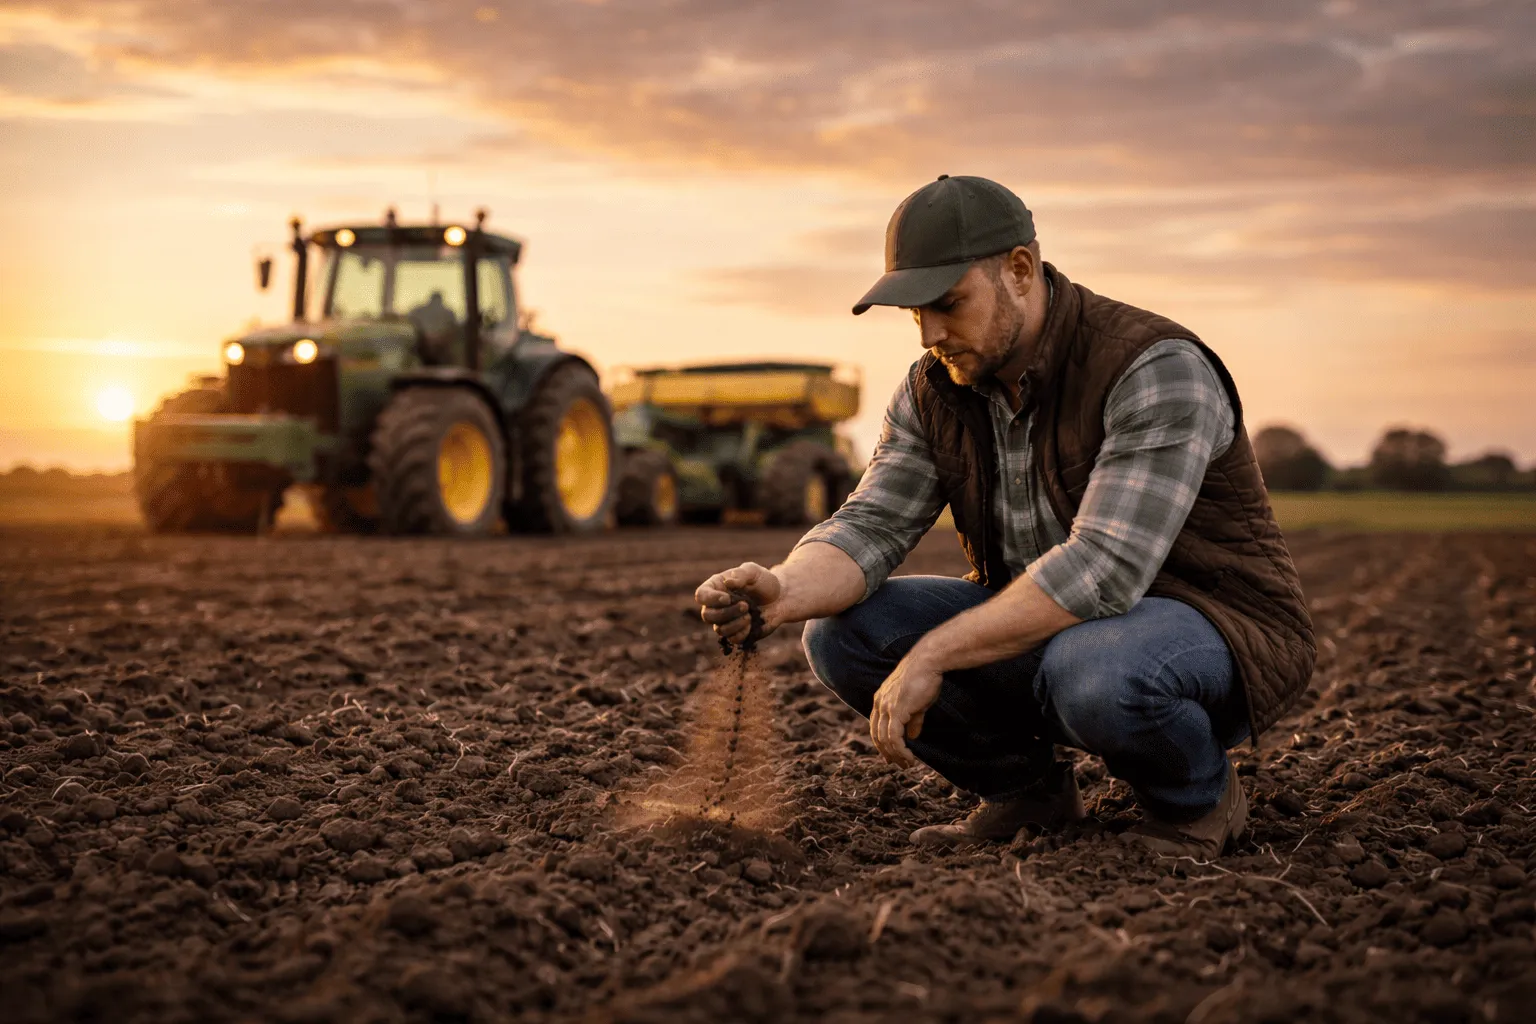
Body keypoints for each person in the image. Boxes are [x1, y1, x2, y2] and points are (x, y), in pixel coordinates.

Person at [696, 175, 1315, 857]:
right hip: (1055, 629)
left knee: (1095, 671)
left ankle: (1198, 800)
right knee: (842, 634)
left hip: (1205, 628)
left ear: (1019, 270)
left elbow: (1102, 572)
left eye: (949, 303)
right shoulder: (934, 388)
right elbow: (871, 525)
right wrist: (784, 590)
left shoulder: (1152, 366)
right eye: (915, 313)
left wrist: (935, 652)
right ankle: (1031, 796)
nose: (931, 332)